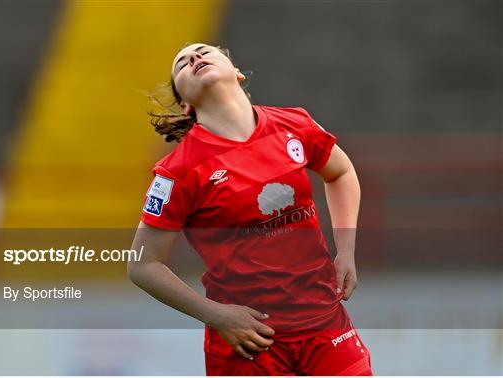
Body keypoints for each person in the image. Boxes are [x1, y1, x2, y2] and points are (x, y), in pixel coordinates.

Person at [128, 42, 373, 376]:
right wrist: (215, 314)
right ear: (186, 104)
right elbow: (142, 265)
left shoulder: (294, 124)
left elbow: (341, 172)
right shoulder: (177, 172)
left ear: (237, 73)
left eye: (203, 52)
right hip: (249, 341)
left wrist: (346, 251)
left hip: (326, 324)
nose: (195, 58)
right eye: (182, 64)